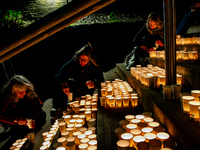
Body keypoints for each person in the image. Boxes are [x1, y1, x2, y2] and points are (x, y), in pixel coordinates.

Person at [52, 42, 105, 121]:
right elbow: (63, 71)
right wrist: (64, 84)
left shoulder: (95, 66)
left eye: (84, 60)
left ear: (90, 59)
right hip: (76, 85)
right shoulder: (74, 62)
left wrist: (94, 84)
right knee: (56, 78)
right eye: (80, 59)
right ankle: (58, 108)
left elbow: (101, 81)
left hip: (87, 89)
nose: (81, 62)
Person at [0, 75, 46, 139]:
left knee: (41, 117)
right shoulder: (7, 95)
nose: (22, 94)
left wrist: (33, 119)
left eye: (23, 91)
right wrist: (15, 120)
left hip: (29, 112)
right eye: (18, 92)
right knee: (18, 133)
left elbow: (38, 106)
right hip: (16, 116)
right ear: (13, 91)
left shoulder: (29, 90)